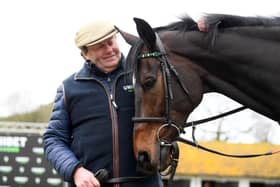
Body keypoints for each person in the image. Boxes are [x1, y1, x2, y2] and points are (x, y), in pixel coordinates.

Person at [43, 20, 163, 187]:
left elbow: (167, 119)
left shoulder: (143, 77)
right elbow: (53, 139)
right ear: (84, 53)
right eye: (100, 46)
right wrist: (75, 170)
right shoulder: (68, 88)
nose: (109, 50)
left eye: (110, 42)